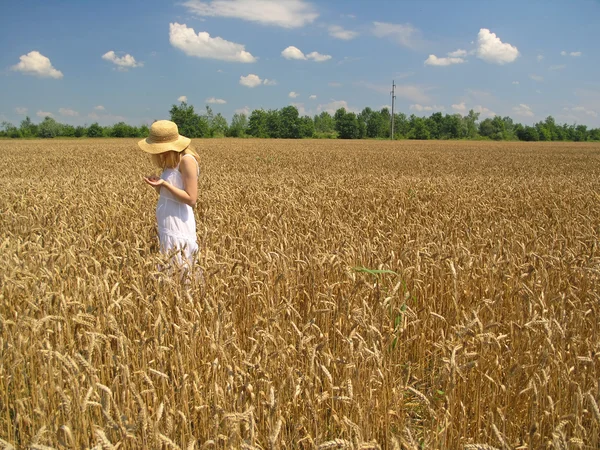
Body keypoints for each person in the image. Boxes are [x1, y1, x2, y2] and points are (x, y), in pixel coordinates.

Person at [138, 120, 201, 276]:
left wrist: (165, 184)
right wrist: (158, 186)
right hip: (167, 224)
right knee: (169, 270)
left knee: (181, 268)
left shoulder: (186, 160)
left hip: (179, 223)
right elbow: (169, 195)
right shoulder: (169, 159)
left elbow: (191, 198)